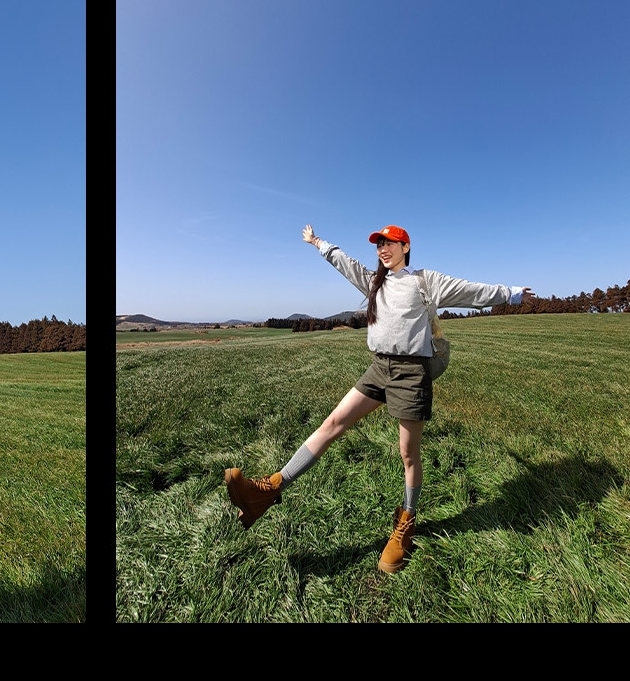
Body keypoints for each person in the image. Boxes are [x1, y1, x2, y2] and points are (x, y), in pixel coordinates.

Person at [224, 223, 534, 573]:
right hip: (378, 368)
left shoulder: (424, 281)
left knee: (408, 454)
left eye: (390, 244)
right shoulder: (374, 281)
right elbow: (344, 262)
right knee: (332, 423)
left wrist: (511, 293)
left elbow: (468, 290)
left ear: (406, 247)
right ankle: (268, 489)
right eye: (379, 245)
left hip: (411, 373)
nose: (383, 249)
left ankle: (406, 523)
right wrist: (317, 243)